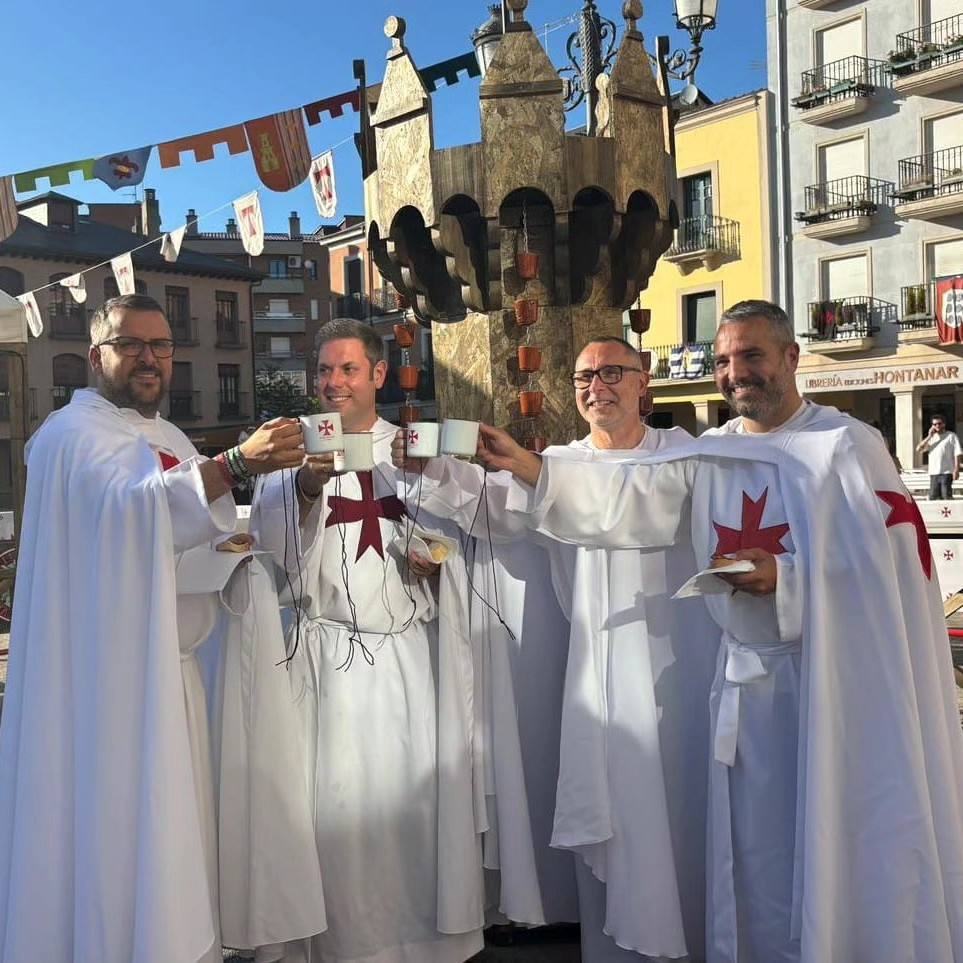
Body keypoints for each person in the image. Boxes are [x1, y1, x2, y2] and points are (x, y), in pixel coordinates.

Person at [474, 299, 963, 963]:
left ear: (790, 358)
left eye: (751, 355)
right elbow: (630, 501)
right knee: (752, 853)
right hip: (743, 692)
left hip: (829, 690)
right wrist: (528, 468)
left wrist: (786, 578)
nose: (736, 372)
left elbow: (889, 575)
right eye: (725, 359)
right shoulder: (716, 451)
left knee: (828, 842)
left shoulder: (844, 447)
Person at [0, 294, 320, 963]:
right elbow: (128, 517)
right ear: (96, 356)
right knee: (115, 832)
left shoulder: (167, 437)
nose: (150, 357)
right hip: (102, 686)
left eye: (162, 345)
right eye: (132, 344)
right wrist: (233, 465)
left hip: (174, 675)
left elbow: (184, 530)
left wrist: (240, 544)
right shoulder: (70, 435)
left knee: (171, 836)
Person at [392, 336, 717, 961]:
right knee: (614, 808)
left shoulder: (685, 456)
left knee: (681, 809)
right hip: (597, 667)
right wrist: (434, 471)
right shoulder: (562, 463)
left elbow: (638, 504)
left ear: (644, 380)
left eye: (613, 373)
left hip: (679, 664)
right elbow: (500, 517)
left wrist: (530, 468)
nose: (598, 386)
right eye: (584, 377)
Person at [251, 318, 485, 963]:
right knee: (332, 815)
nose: (333, 383)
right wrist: (304, 484)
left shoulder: (413, 450)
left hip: (404, 658)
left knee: (407, 811)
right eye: (324, 370)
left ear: (378, 375)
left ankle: (415, 946)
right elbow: (273, 551)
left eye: (347, 369)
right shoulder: (291, 450)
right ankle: (336, 945)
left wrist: (439, 564)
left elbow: (459, 538)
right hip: (325, 663)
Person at [916, 413, 962, 499]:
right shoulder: (932, 438)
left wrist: (956, 469)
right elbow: (919, 449)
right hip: (934, 473)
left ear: (944, 424)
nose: (937, 425)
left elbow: (957, 453)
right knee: (933, 497)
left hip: (947, 472)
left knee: (946, 497)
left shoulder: (951, 436)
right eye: (934, 424)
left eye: (939, 423)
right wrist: (929, 436)